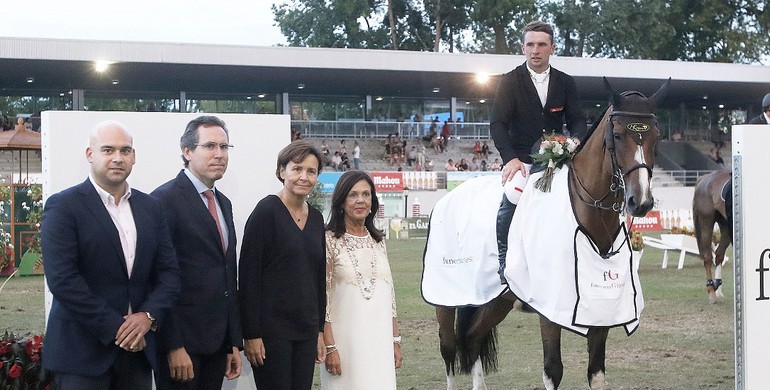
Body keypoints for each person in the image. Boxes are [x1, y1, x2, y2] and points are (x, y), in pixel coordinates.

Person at [41, 120, 181, 390]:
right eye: (108, 150)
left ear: (134, 157)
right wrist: (118, 328)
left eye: (125, 150)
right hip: (81, 354)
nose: (118, 158)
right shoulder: (64, 206)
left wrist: (148, 316)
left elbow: (169, 273)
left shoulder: (151, 208)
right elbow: (63, 280)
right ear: (90, 154)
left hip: (137, 353)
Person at [490, 20, 587, 281]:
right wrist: (510, 159)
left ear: (552, 48)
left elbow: (578, 120)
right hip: (522, 160)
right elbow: (498, 124)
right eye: (530, 44)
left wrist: (575, 140)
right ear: (523, 48)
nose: (536, 50)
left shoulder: (566, 82)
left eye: (542, 44)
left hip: (558, 160)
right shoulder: (509, 81)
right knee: (511, 196)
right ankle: (504, 261)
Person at [151, 116, 242, 390]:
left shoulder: (223, 203)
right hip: (181, 346)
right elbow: (158, 278)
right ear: (187, 151)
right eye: (210, 146)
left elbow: (228, 274)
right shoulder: (162, 200)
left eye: (225, 147)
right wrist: (172, 345)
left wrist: (232, 342)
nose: (219, 154)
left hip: (217, 344)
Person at [239, 140, 327, 390]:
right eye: (297, 169)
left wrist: (319, 330)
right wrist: (252, 334)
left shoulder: (317, 217)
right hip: (271, 333)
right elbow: (248, 277)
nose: (304, 177)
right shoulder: (266, 211)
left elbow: (318, 277)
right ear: (281, 172)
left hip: (306, 331)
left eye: (311, 171)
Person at [320, 171, 403, 389]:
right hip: (346, 347)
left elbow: (390, 297)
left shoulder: (378, 241)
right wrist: (330, 348)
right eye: (353, 195)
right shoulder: (328, 240)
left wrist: (395, 341)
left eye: (366, 194)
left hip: (380, 344)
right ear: (341, 200)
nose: (360, 200)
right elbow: (323, 300)